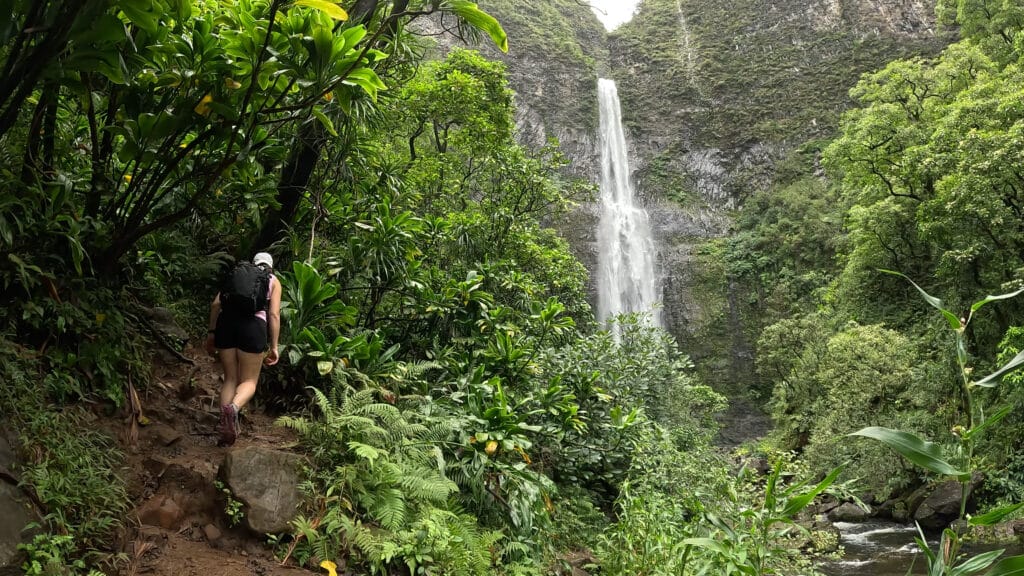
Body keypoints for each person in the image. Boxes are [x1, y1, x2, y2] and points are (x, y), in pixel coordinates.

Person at [204, 252, 281, 445]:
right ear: (270, 266)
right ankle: (234, 408)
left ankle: (224, 425)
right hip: (253, 328)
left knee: (230, 378)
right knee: (249, 382)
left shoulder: (237, 274)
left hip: (226, 325)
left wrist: (211, 333)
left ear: (253, 263)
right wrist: (274, 346)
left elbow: (215, 305)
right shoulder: (272, 280)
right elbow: (273, 315)